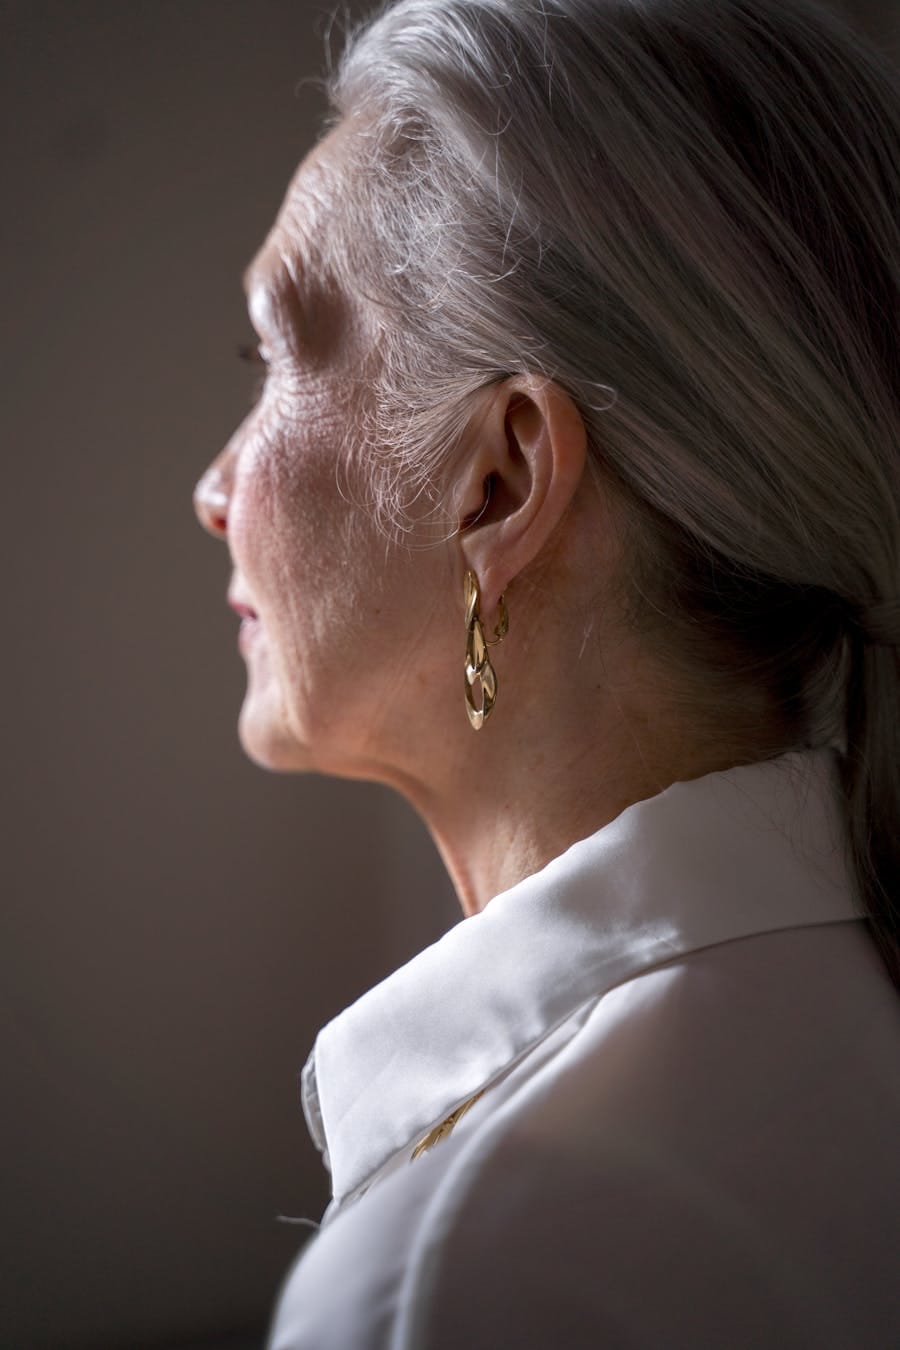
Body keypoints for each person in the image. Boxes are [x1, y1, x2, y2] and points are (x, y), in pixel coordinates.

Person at [193, 0, 900, 1344]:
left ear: (499, 481)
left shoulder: (461, 1272)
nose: (214, 489)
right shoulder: (852, 1019)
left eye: (274, 356)